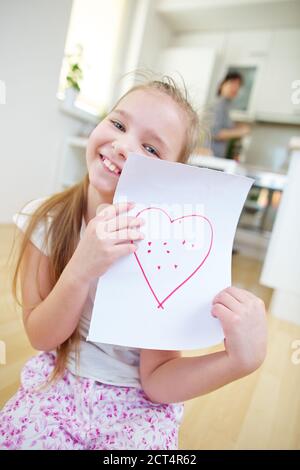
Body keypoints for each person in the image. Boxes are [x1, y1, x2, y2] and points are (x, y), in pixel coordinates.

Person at [0, 77, 267, 450]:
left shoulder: (167, 251)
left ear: (172, 173)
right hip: (60, 380)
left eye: (151, 149)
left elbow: (157, 381)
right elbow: (41, 336)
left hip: (135, 406)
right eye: (119, 124)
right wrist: (81, 268)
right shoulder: (46, 220)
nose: (123, 146)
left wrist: (238, 362)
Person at [211, 71, 250, 159]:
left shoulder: (227, 106)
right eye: (232, 83)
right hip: (210, 157)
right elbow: (215, 133)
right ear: (222, 85)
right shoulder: (218, 105)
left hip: (218, 157)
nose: (235, 88)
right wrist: (240, 132)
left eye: (238, 85)